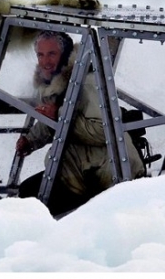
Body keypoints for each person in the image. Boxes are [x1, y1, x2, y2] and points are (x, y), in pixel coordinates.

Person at [16, 30, 145, 216]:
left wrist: (59, 116)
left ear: (66, 55)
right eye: (40, 54)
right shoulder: (58, 83)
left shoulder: (88, 82)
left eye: (52, 53)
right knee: (28, 193)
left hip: (107, 174)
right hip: (79, 168)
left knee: (34, 203)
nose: (45, 61)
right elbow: (56, 119)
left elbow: (104, 131)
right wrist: (31, 140)